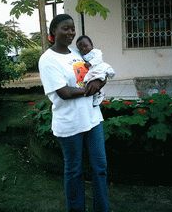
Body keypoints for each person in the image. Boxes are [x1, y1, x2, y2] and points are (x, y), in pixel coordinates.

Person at [38, 14, 110, 212]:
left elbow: (96, 72)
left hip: (93, 119)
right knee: (74, 171)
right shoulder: (47, 59)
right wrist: (91, 89)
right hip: (70, 124)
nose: (71, 33)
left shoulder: (78, 54)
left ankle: (102, 209)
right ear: (54, 31)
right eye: (65, 28)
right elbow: (64, 92)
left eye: (72, 29)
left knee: (100, 168)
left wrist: (100, 80)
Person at [76, 35, 115, 106]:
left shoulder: (95, 52)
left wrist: (90, 63)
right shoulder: (82, 56)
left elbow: (98, 59)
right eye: (81, 49)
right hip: (91, 71)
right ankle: (96, 95)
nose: (84, 49)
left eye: (86, 46)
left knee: (98, 79)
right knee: (90, 82)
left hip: (98, 68)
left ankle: (100, 95)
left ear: (91, 45)